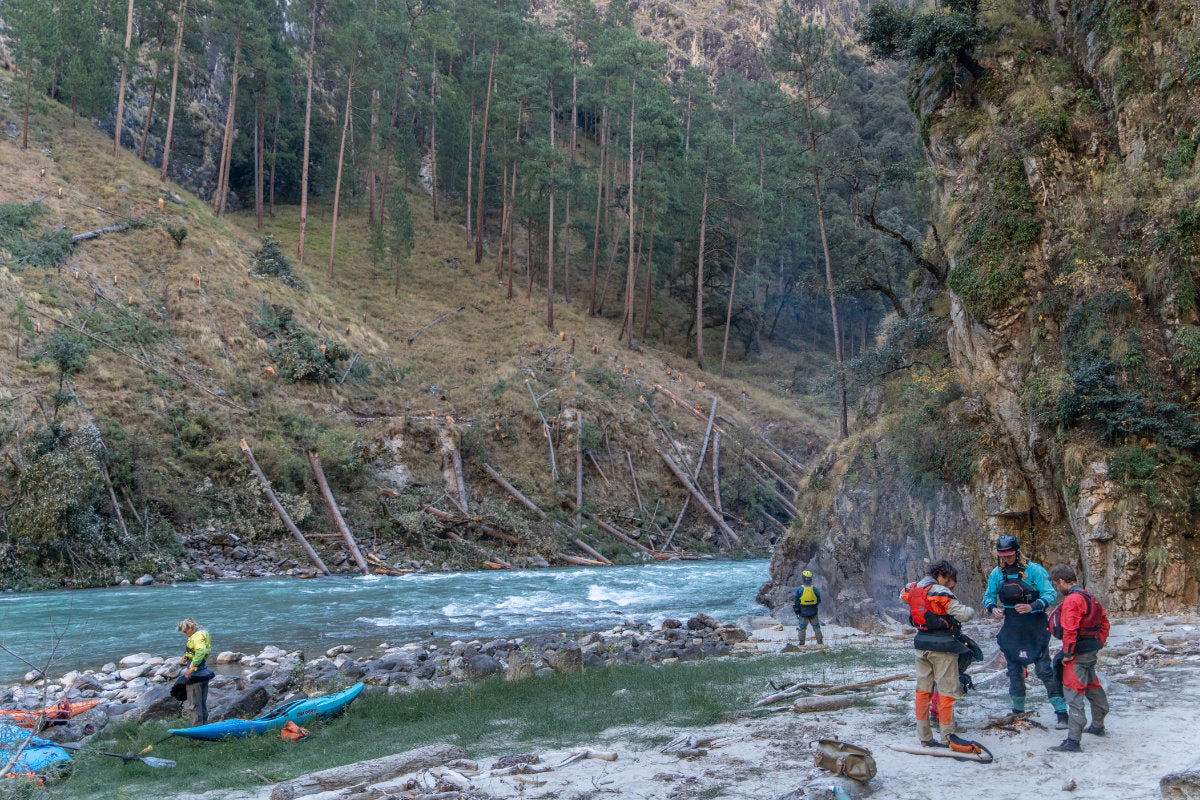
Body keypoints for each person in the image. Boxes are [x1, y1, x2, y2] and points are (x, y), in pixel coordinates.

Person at [983, 535, 1069, 726]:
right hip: (1012, 628)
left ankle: (1062, 713)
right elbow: (988, 596)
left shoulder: (1034, 570)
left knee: (1044, 670)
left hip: (1035, 626)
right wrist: (992, 608)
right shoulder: (997, 574)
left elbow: (1051, 594)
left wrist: (1033, 606)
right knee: (1014, 671)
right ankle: (1017, 711)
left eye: (1010, 555)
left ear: (1017, 552)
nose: (1007, 559)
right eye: (1003, 555)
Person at [901, 560, 975, 747]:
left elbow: (904, 597)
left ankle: (924, 736)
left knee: (923, 692)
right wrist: (971, 610)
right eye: (949, 579)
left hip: (920, 645)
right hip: (943, 648)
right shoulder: (939, 592)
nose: (951, 584)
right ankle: (948, 736)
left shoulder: (912, 588)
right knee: (946, 693)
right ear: (941, 575)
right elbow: (964, 614)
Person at [1046, 564, 1110, 752]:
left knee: (1073, 693)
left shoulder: (1073, 600)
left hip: (1077, 654)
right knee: (1092, 685)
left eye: (1057, 585)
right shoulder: (1090, 597)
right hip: (1090, 651)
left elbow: (1070, 629)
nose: (1057, 589)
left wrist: (1067, 653)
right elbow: (1104, 622)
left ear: (1062, 581)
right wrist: (1098, 644)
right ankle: (1098, 726)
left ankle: (1073, 741)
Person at [178, 618, 212, 726]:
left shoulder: (196, 637)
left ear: (191, 628)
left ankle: (197, 727)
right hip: (203, 671)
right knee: (202, 702)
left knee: (194, 703)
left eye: (185, 631)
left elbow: (201, 651)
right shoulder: (203, 634)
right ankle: (204, 725)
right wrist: (186, 656)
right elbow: (198, 651)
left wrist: (191, 668)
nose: (184, 634)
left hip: (195, 672)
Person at [792, 570, 823, 645]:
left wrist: (798, 609)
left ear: (803, 579)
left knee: (802, 628)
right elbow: (819, 600)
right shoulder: (815, 589)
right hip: (813, 611)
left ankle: (802, 643)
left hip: (803, 612)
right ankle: (820, 642)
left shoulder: (800, 589)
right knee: (816, 627)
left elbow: (796, 601)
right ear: (811, 579)